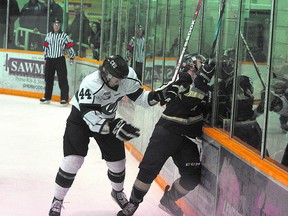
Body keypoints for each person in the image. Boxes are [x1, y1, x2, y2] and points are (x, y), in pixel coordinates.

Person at [48, 54, 166, 216]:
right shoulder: (90, 83)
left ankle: (117, 192)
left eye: (117, 77)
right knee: (73, 161)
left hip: (107, 120)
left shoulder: (128, 77)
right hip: (81, 121)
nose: (114, 79)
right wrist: (115, 126)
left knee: (118, 162)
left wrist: (157, 96)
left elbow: (141, 98)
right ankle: (57, 200)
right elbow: (91, 120)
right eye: (112, 75)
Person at [117, 53, 215, 216]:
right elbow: (190, 100)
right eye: (200, 63)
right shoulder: (181, 82)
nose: (203, 65)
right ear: (191, 66)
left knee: (192, 177)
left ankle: (168, 200)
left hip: (186, 139)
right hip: (166, 133)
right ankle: (133, 204)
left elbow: (204, 109)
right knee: (148, 171)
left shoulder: (203, 86)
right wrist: (203, 78)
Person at [216, 48, 263, 152]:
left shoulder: (241, 81)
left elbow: (246, 112)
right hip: (239, 130)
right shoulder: (221, 86)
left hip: (243, 129)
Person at [40, 18, 75, 105]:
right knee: (48, 79)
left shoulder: (64, 36)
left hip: (60, 59)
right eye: (55, 25)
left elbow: (70, 46)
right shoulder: (49, 35)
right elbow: (45, 47)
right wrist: (45, 58)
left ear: (60, 26)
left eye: (58, 25)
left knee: (62, 79)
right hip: (50, 59)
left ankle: (64, 99)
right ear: (53, 25)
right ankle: (47, 97)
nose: (56, 26)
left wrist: (71, 57)